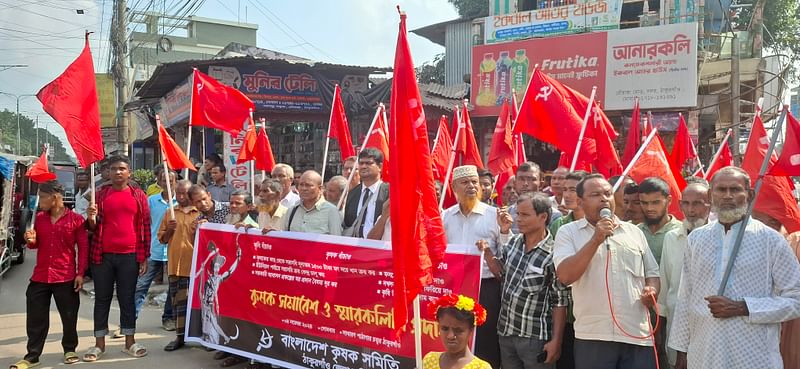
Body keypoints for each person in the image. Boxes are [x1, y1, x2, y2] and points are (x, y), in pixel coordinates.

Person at [668, 167, 800, 369]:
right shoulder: (697, 238)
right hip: (703, 355)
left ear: (750, 194)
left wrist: (743, 307)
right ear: (711, 195)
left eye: (735, 189)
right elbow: (686, 297)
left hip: (754, 357)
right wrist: (681, 352)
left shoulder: (771, 241)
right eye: (721, 190)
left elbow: (796, 299)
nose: (728, 196)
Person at [553, 174, 659, 369]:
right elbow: (565, 276)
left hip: (637, 333)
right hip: (593, 335)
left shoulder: (634, 232)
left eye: (608, 193)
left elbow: (652, 273)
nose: (604, 199)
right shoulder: (568, 233)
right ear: (580, 201)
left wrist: (651, 290)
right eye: (595, 194)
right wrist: (596, 239)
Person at [478, 193, 570, 369]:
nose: (518, 219)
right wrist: (488, 254)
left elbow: (560, 302)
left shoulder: (554, 254)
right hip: (506, 332)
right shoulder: (513, 243)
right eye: (518, 214)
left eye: (525, 215)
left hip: (535, 339)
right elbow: (501, 274)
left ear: (543, 217)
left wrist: (556, 341)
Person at [10, 181, 87, 369]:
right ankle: (32, 356)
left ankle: (69, 349)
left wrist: (80, 273)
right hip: (40, 276)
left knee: (69, 316)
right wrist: (31, 240)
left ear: (55, 198)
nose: (39, 201)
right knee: (36, 319)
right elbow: (34, 245)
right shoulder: (39, 220)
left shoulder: (76, 220)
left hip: (65, 276)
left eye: (43, 197)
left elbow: (83, 249)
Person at [442, 165, 510, 369]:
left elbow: (507, 255)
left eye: (475, 182)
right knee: (455, 339)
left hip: (486, 288)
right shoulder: (445, 216)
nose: (472, 186)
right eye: (465, 182)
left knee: (485, 340)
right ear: (454, 187)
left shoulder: (494, 215)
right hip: (455, 288)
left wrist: (505, 231)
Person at [85, 155, 150, 361]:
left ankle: (129, 342)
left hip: (129, 256)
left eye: (122, 168)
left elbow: (145, 227)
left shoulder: (139, 196)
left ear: (129, 172)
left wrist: (143, 257)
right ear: (108, 172)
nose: (118, 172)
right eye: (114, 169)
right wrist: (91, 217)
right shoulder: (100, 195)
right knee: (102, 299)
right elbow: (92, 229)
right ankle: (99, 345)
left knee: (127, 299)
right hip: (102, 256)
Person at [657, 180, 710, 369]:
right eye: (686, 203)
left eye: (697, 203)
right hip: (675, 327)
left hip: (708, 327)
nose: (691, 210)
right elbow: (665, 286)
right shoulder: (672, 238)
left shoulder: (719, 238)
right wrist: (660, 331)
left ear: (710, 203)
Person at [546, 170, 588, 369]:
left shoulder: (598, 226)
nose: (568, 195)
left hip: (589, 312)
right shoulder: (559, 225)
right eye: (565, 190)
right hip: (564, 310)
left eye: (573, 189)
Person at [158, 180, 201, 352]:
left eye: (184, 193)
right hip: (176, 265)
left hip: (195, 266)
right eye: (178, 193)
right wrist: (169, 229)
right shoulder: (170, 212)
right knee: (178, 304)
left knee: (196, 304)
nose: (181, 197)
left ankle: (201, 337)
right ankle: (180, 337)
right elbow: (162, 239)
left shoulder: (199, 213)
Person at [134, 169, 177, 331]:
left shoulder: (181, 203)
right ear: (158, 182)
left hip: (174, 252)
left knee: (173, 288)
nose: (167, 183)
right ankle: (130, 320)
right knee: (141, 286)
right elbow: (143, 225)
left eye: (171, 180)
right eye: (163, 179)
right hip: (154, 250)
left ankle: (168, 318)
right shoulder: (151, 201)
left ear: (175, 182)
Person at [424, 294, 492, 369]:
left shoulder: (481, 367)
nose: (450, 336)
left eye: (458, 330)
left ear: (471, 330)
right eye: (445, 328)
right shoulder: (429, 360)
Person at [267, 170, 342, 235]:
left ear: (320, 188)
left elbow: (336, 241)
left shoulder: (331, 211)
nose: (304, 188)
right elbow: (286, 236)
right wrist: (275, 234)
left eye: (308, 185)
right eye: (301, 185)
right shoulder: (292, 210)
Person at [342, 148, 389, 238]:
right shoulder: (352, 193)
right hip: (355, 248)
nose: (363, 166)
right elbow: (348, 222)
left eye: (368, 163)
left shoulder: (389, 192)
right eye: (361, 163)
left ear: (380, 167)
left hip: (381, 248)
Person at [637, 178, 682, 264]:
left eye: (656, 202)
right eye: (644, 203)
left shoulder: (682, 232)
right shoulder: (635, 232)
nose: (649, 208)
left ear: (669, 200)